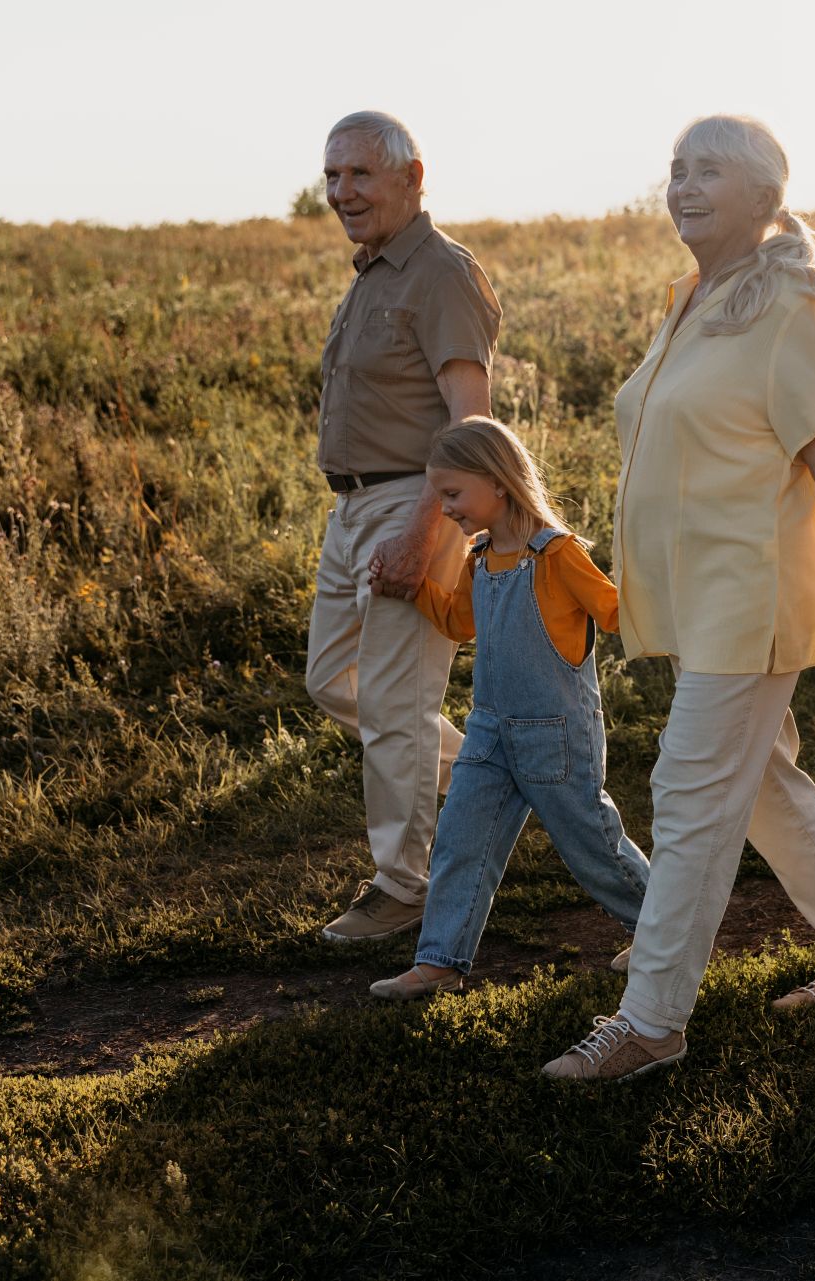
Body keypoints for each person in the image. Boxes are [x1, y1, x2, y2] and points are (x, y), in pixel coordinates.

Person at [541, 115, 815, 1083]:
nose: (683, 184)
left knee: (691, 788)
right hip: (700, 597)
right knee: (759, 784)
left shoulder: (790, 305)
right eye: (675, 169)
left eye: (709, 169)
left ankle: (653, 1021)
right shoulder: (695, 299)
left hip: (752, 597)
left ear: (765, 194)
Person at [305, 111, 503, 943]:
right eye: (333, 177)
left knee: (393, 701)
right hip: (352, 507)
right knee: (330, 679)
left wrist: (428, 533)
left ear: (412, 177)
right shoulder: (373, 273)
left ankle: (404, 884)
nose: (343, 193)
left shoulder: (441, 273)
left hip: (416, 501)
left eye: (360, 175)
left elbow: (472, 420)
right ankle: (494, 774)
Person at [367, 416, 649, 999]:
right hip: (489, 732)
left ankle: (663, 933)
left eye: (452, 494)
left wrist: (666, 578)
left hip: (556, 735)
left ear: (498, 482)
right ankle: (440, 960)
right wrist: (414, 585)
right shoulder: (480, 558)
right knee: (460, 840)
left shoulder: (559, 555)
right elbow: (460, 623)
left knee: (592, 844)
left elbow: (620, 613)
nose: (443, 509)